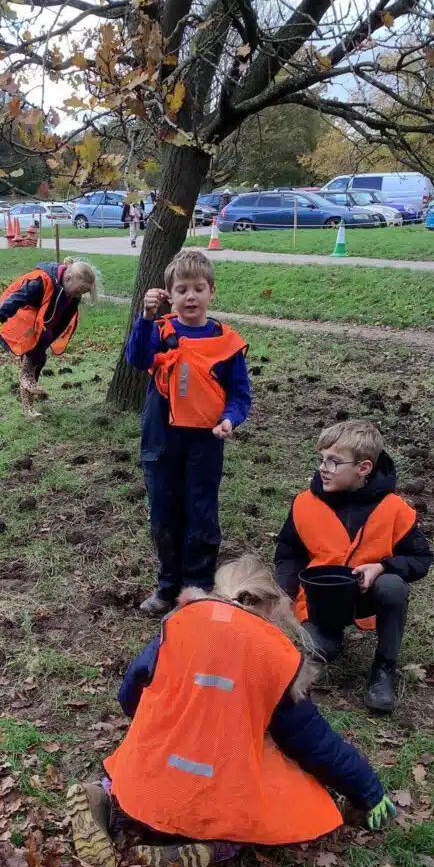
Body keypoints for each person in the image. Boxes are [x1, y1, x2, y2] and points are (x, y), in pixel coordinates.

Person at [66, 556, 395, 867]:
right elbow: (315, 743)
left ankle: (104, 794)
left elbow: (129, 698)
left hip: (152, 782)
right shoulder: (275, 655)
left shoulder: (176, 626)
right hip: (217, 792)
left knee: (139, 757)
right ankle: (214, 846)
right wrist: (368, 790)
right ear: (269, 606)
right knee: (273, 779)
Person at [275, 420, 433, 714]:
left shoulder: (394, 508)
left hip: (368, 595)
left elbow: (421, 559)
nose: (324, 468)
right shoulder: (304, 503)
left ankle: (384, 668)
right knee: (317, 651)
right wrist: (285, 593)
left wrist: (382, 567)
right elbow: (288, 554)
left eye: (334, 462)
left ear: (364, 468)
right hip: (320, 600)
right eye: (321, 459)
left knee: (393, 586)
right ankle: (330, 638)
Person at [126, 250, 251, 615]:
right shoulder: (159, 330)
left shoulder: (226, 343)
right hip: (160, 440)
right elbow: (137, 359)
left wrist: (231, 419)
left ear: (212, 291)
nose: (190, 296)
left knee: (201, 515)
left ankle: (197, 591)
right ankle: (167, 588)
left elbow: (240, 395)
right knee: (164, 514)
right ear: (170, 294)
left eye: (198, 288)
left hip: (205, 442)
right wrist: (146, 317)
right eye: (181, 290)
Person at [0, 259, 98, 417]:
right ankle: (26, 382)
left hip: (40, 325)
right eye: (78, 291)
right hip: (19, 317)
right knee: (35, 353)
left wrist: (45, 343)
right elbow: (16, 298)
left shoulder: (73, 297)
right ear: (68, 278)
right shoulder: (40, 282)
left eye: (82, 293)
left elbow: (61, 322)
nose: (78, 295)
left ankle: (28, 399)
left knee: (39, 357)